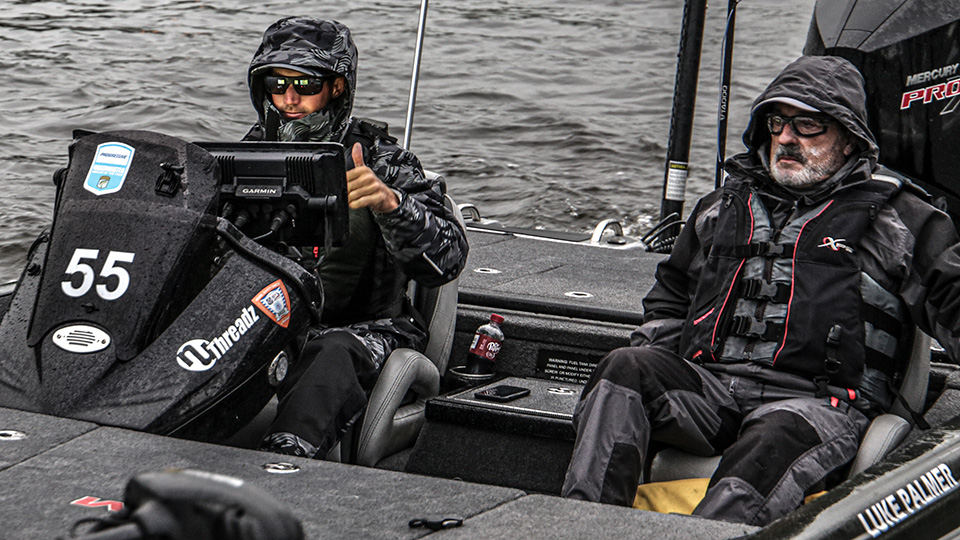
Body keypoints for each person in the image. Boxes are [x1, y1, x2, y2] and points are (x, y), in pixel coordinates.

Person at [561, 55, 960, 526]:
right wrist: (661, 356)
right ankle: (582, 525)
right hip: (712, 393)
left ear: (850, 138)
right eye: (777, 123)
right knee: (624, 368)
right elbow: (670, 298)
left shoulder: (901, 220)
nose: (786, 138)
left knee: (773, 439)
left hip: (818, 407)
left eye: (808, 125)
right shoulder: (719, 209)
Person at [243, 17, 468, 458]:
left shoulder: (385, 160)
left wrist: (390, 204)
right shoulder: (245, 155)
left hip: (360, 329)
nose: (289, 99)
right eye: (276, 84)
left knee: (332, 351)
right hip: (263, 322)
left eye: (305, 84)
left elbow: (449, 256)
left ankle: (283, 463)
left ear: (337, 87)